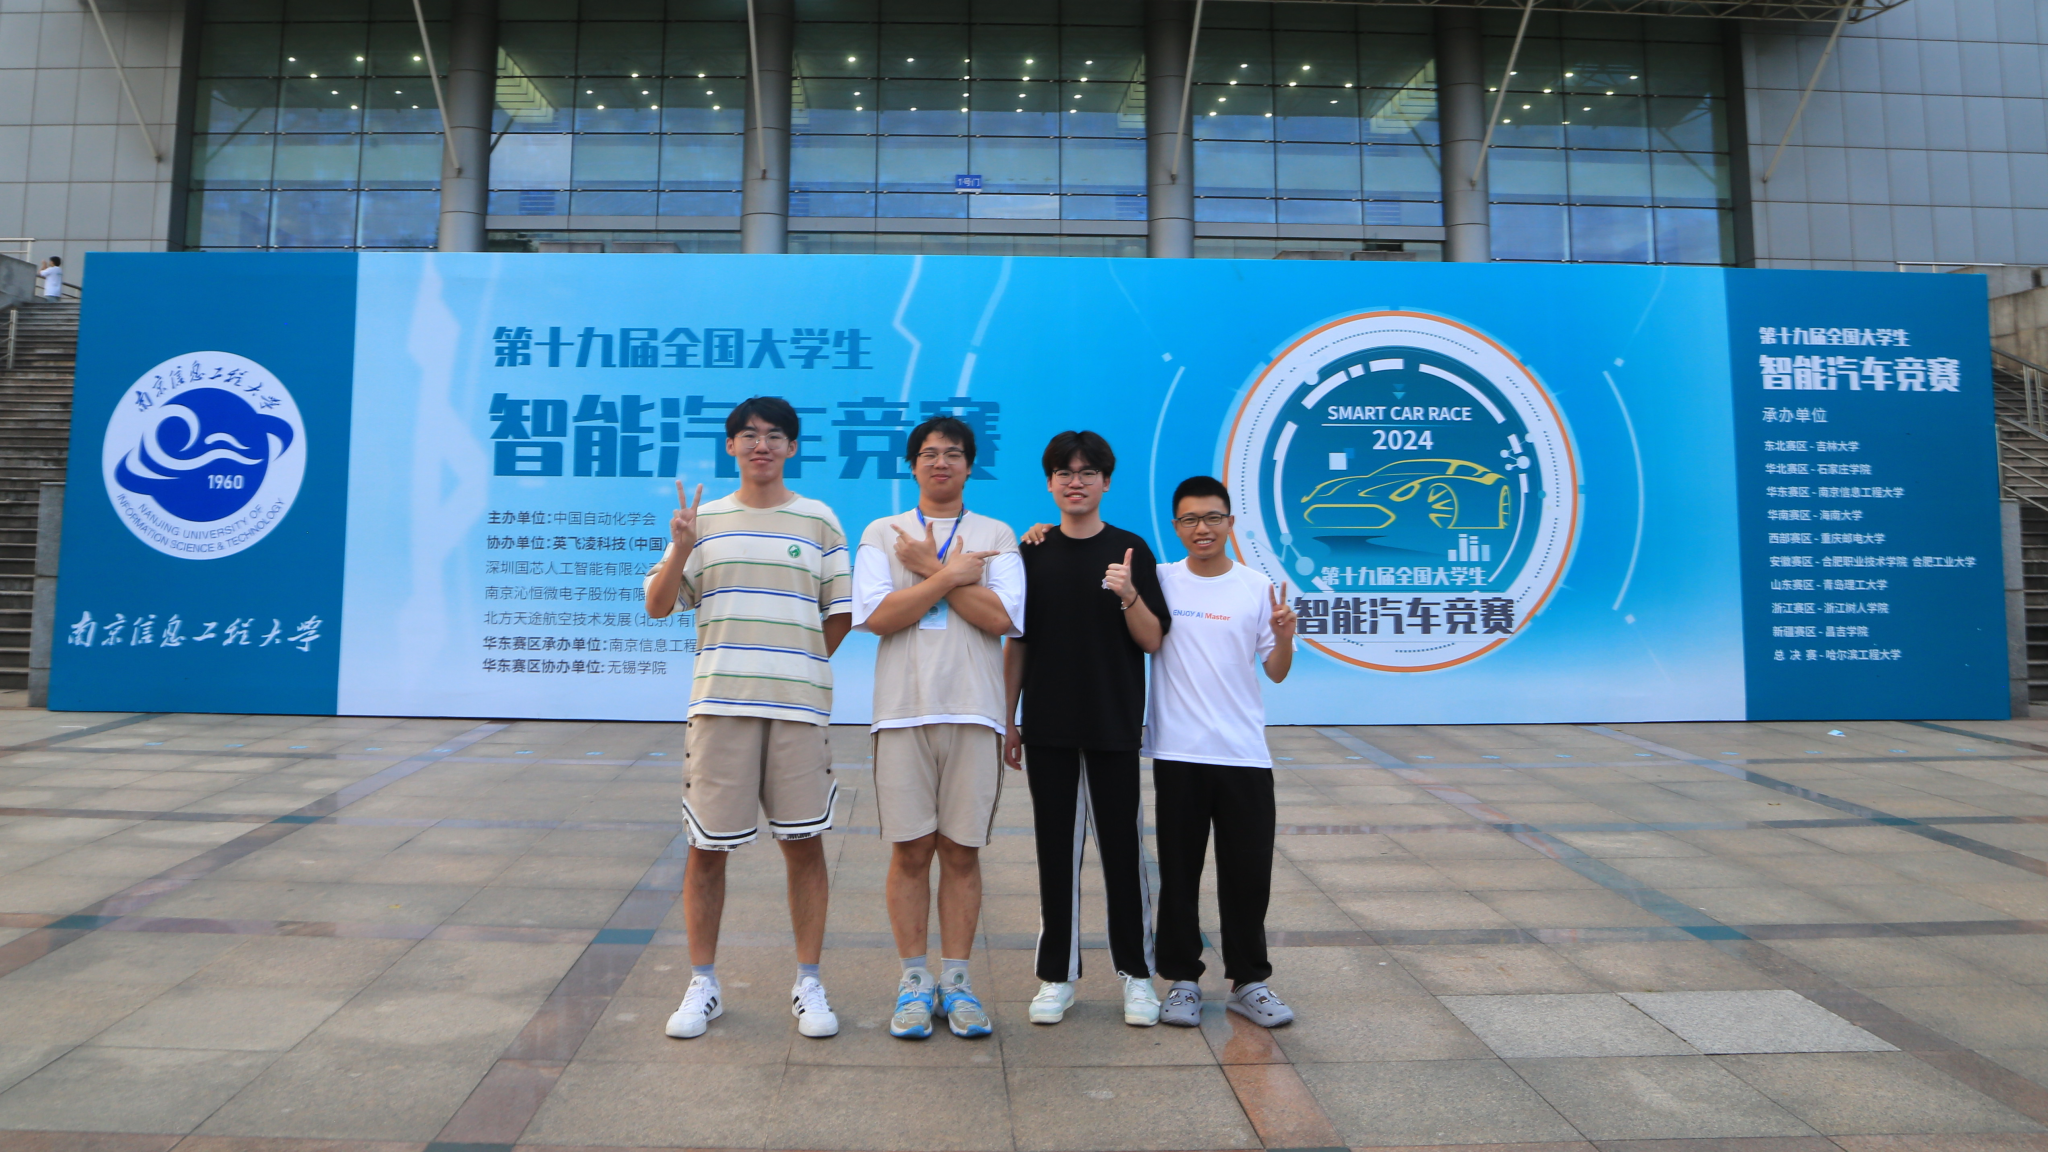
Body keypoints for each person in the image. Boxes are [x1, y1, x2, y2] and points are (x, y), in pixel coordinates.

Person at [643, 395, 853, 1042]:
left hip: (797, 709)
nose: (762, 445)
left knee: (804, 845)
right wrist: (680, 548)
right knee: (706, 849)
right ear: (731, 445)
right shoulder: (702, 520)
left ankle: (809, 982)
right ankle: (702, 983)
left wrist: (796, 664)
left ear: (793, 447)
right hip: (720, 706)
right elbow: (657, 604)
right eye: (749, 435)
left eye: (775, 435)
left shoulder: (819, 520)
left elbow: (841, 612)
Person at [851, 416, 1022, 1040]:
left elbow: (1002, 618)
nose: (940, 462)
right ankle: (914, 982)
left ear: (970, 465)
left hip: (975, 709)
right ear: (912, 464)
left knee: (961, 851)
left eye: (953, 453)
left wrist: (926, 568)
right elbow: (877, 616)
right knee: (910, 850)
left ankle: (958, 981)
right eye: (928, 453)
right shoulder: (883, 532)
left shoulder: (995, 533)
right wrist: (950, 575)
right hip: (903, 709)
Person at [1004, 430, 1170, 1027]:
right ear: (1050, 483)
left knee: (1124, 854)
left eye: (1087, 472)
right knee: (1055, 854)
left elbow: (1152, 640)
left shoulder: (1131, 550)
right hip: (1047, 725)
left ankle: (1136, 975)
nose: (1076, 482)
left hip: (1112, 724)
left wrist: (1128, 594)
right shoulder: (1031, 552)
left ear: (1106, 481)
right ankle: (1057, 975)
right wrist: (1009, 719)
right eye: (1064, 473)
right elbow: (1018, 642)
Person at [1144, 476, 1299, 1028]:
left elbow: (1276, 672)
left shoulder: (1256, 588)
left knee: (1248, 874)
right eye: (1190, 519)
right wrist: (1038, 532)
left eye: (1213, 517)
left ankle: (1248, 982)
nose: (1202, 528)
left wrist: (1284, 636)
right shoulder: (1161, 579)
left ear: (1231, 523)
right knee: (1179, 874)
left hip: (1243, 754)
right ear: (1176, 527)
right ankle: (1182, 981)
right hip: (1178, 752)